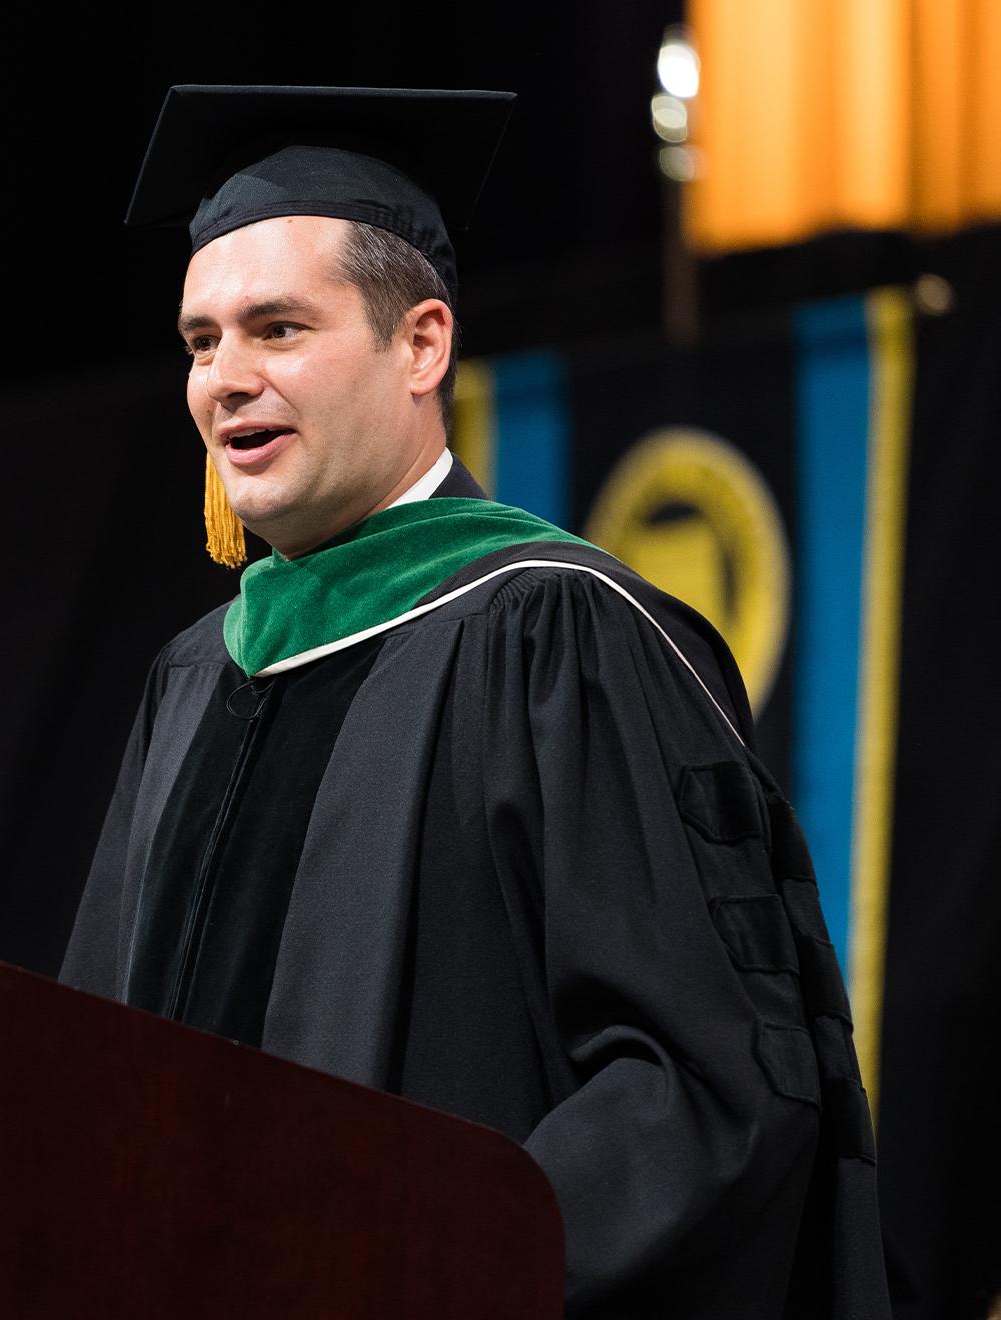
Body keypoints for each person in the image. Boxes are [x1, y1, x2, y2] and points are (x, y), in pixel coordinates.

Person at [58, 85, 886, 1318]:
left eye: (277, 328)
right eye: (200, 340)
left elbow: (701, 1086)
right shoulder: (194, 679)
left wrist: (415, 1257)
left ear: (422, 344)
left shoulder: (561, 639)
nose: (225, 378)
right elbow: (84, 1071)